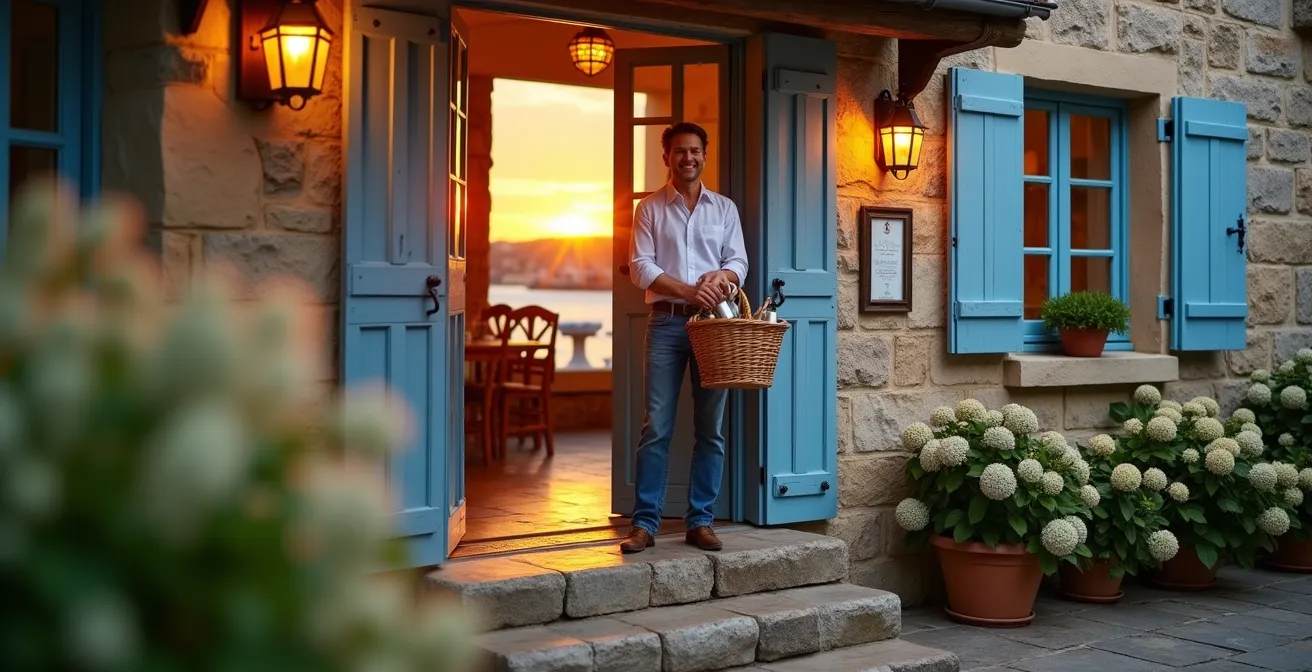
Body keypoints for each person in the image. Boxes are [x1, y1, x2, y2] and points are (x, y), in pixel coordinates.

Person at [620, 121, 748, 554]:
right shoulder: (650, 209)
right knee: (656, 427)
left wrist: (723, 277)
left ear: (704, 156)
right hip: (667, 324)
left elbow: (739, 262)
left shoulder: (724, 209)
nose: (688, 158)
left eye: (695, 151)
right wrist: (689, 289)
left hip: (715, 328)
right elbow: (641, 267)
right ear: (666, 157)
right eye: (679, 152)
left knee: (711, 428)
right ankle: (645, 524)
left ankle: (701, 521)